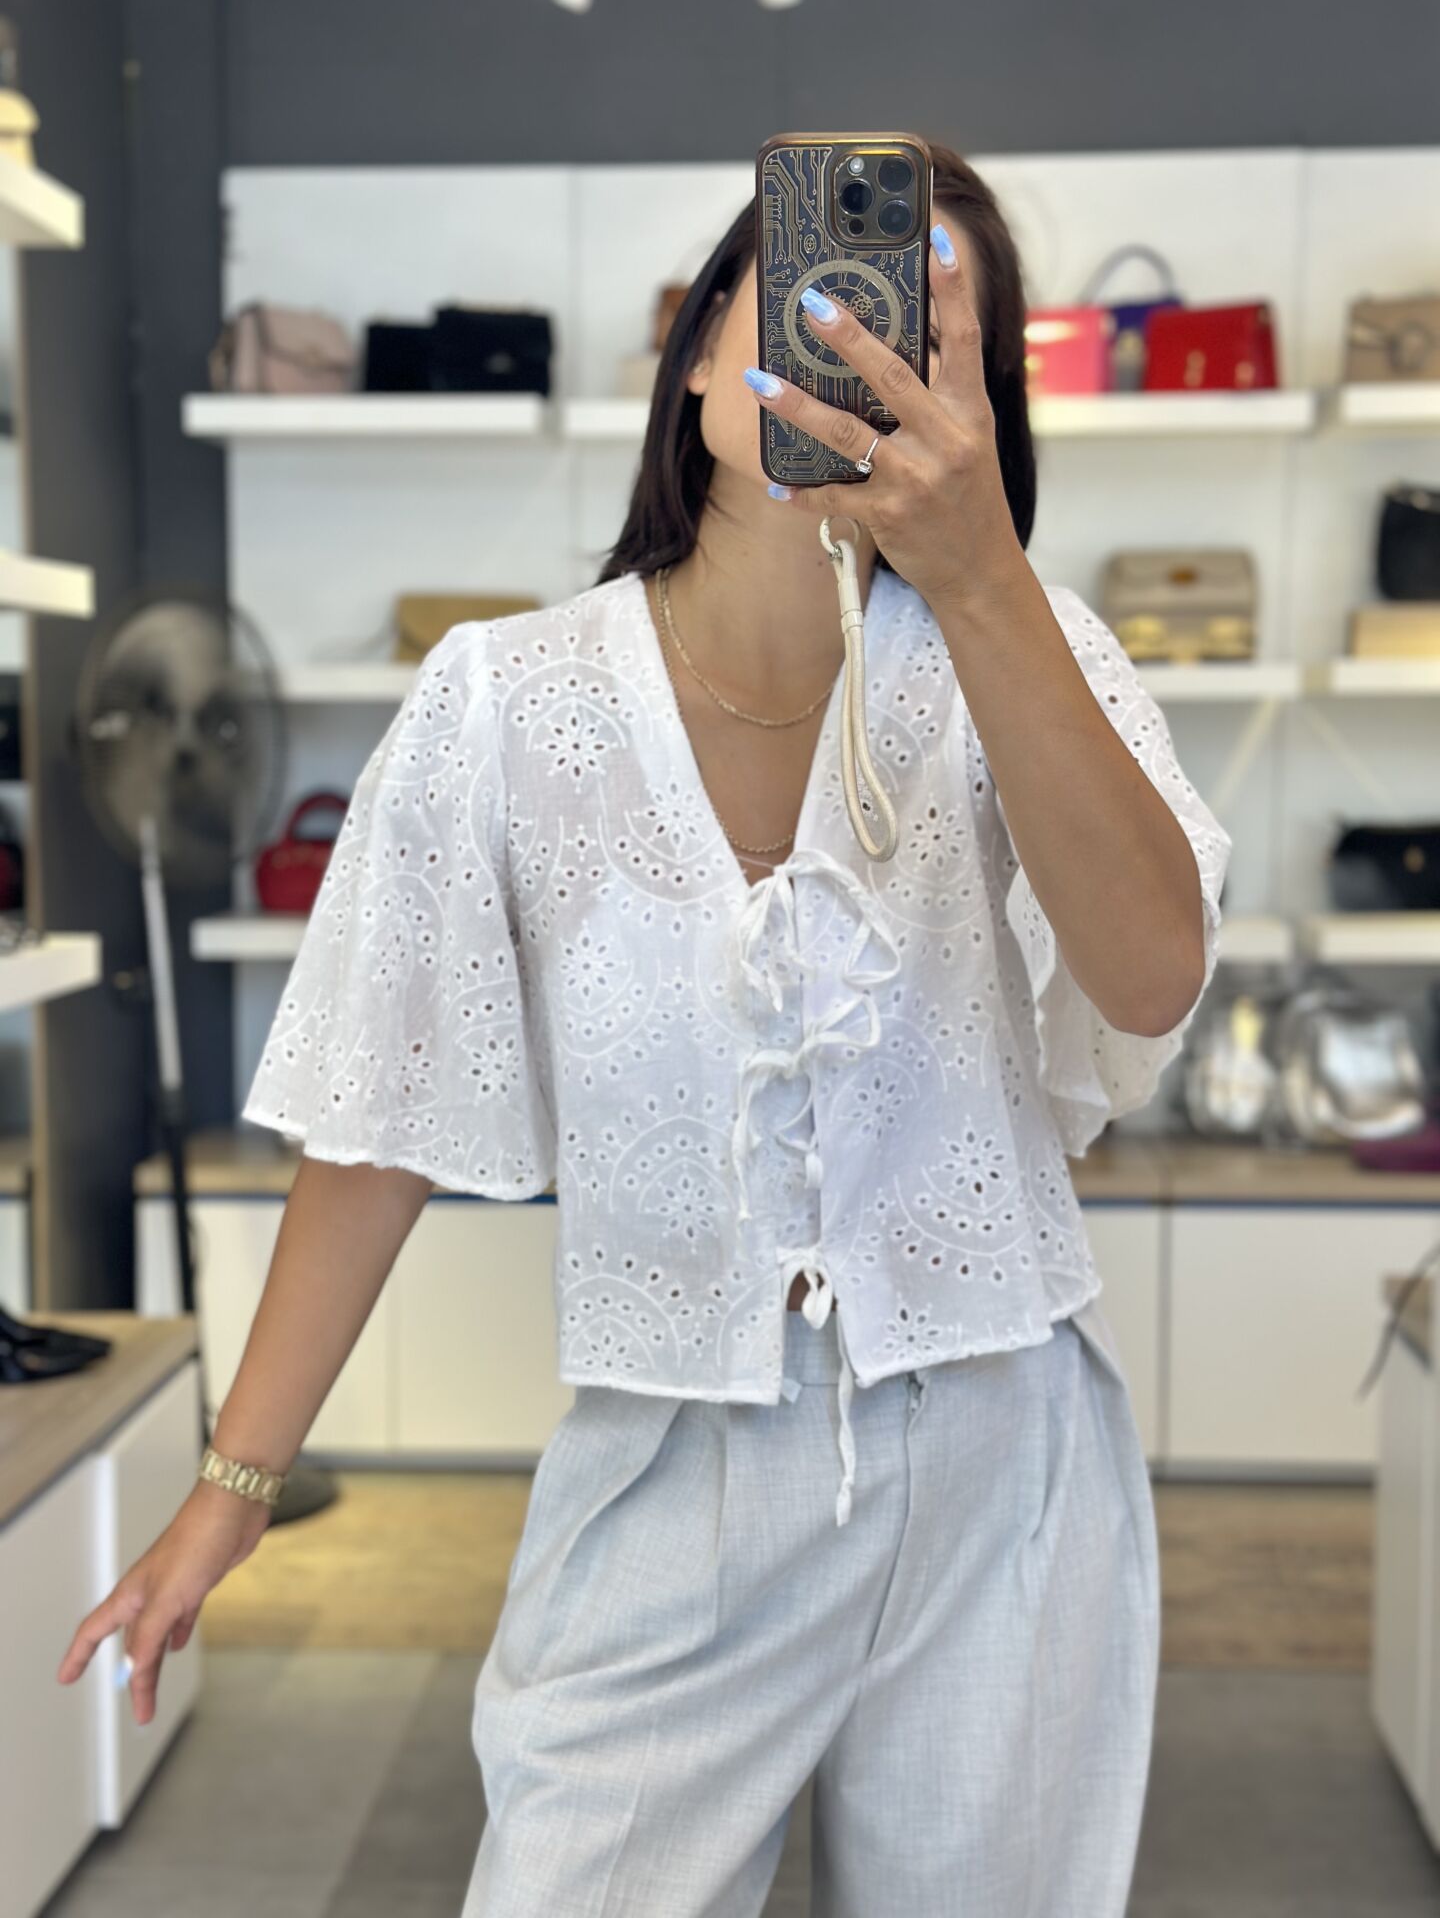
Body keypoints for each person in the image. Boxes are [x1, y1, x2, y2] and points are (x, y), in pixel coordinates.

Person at [57, 142, 1231, 1916]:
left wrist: (984, 579)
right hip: (671, 1469)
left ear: (983, 406)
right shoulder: (502, 703)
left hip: (1011, 1457)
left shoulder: (1034, 650)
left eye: (928, 328)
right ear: (698, 354)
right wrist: (235, 1483)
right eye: (819, 291)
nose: (867, 342)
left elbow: (1148, 979)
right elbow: (379, 1116)